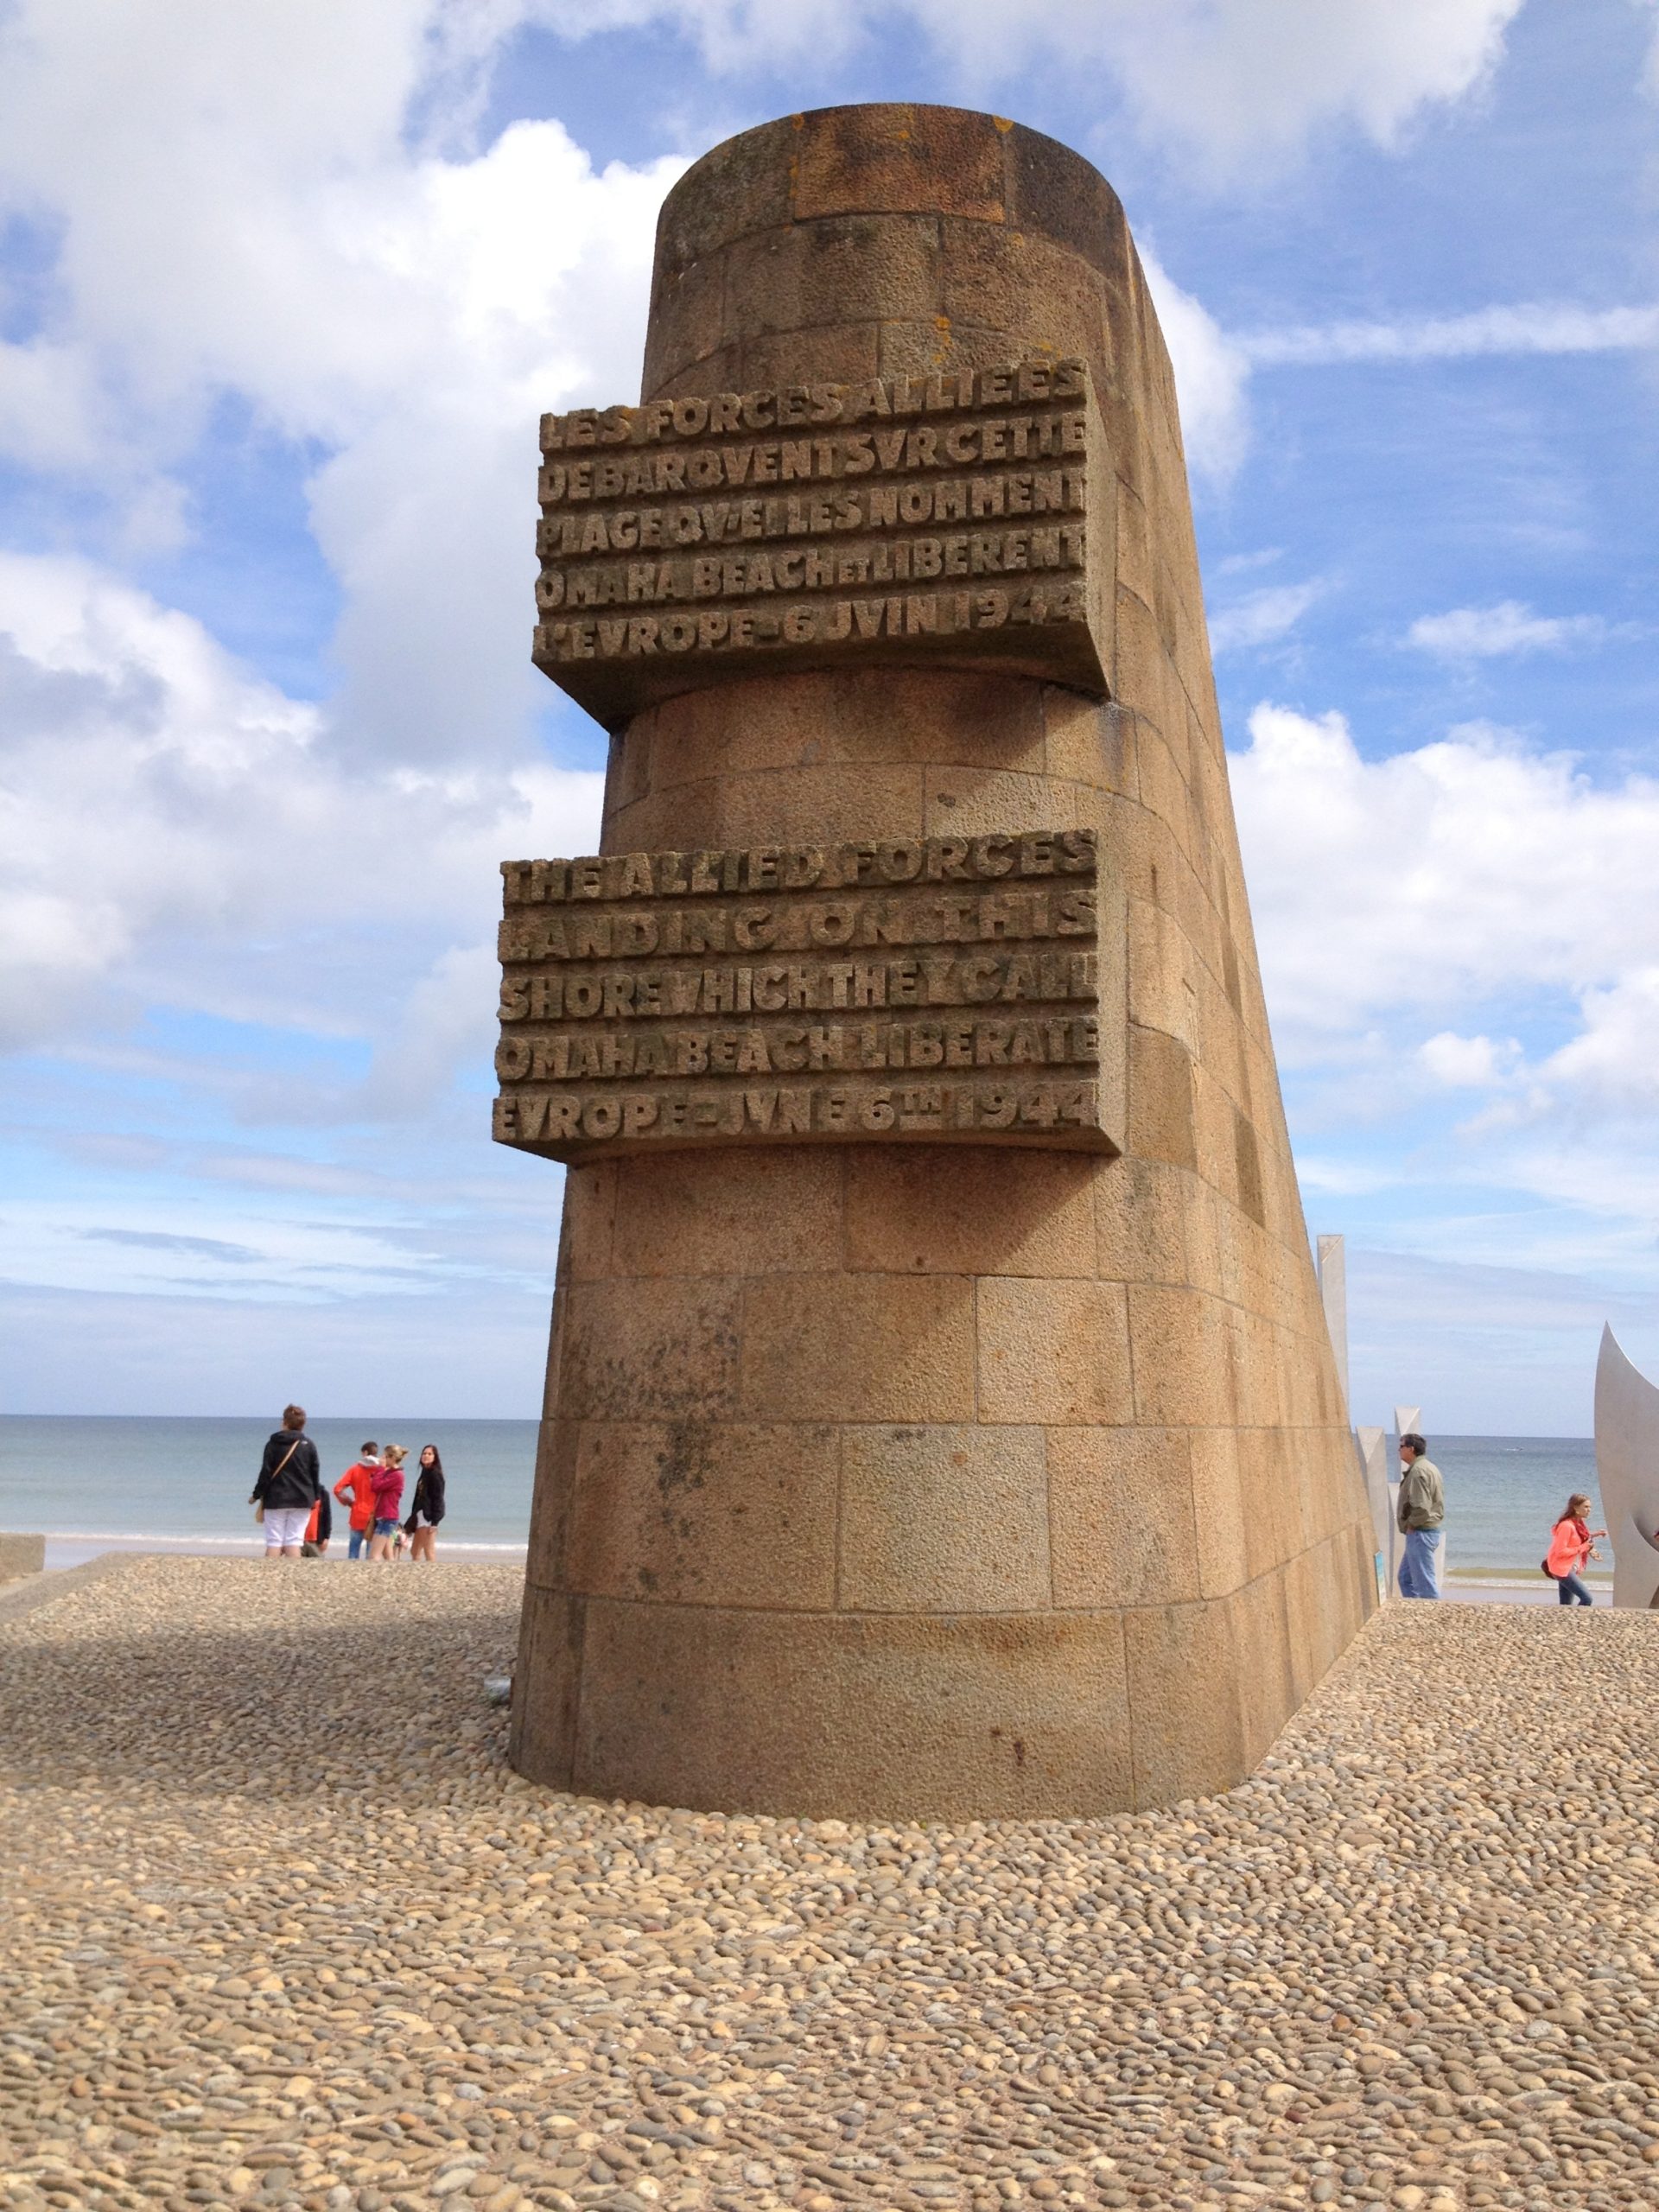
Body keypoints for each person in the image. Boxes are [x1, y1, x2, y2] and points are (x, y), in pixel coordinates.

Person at [251, 1404, 321, 1562]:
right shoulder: (308, 1445)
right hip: (303, 1498)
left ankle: (271, 1575)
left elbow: (266, 1472)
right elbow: (314, 1473)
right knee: (295, 1540)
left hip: (276, 1498)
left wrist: (257, 1494)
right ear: (303, 1424)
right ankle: (293, 1575)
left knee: (274, 1540)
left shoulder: (273, 1444)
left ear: (285, 1422)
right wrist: (315, 1496)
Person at [1396, 1432, 1445, 1599]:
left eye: (1401, 1446)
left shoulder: (1418, 1471)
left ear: (1411, 1449)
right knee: (1405, 1579)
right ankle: (1414, 1613)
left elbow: (1422, 1508)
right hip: (1423, 1532)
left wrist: (1411, 1525)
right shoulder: (1429, 1467)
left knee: (1425, 1586)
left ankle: (1433, 1619)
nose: (1399, 1450)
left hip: (1420, 1532)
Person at [1545, 1493, 1605, 1606]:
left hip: (1570, 1567)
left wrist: (1594, 1534)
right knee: (1587, 1598)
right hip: (1562, 1569)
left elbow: (1577, 1537)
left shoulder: (1578, 1524)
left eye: (1590, 1507)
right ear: (1576, 1508)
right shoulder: (1566, 1526)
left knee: (1565, 1605)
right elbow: (1561, 1551)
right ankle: (1578, 1619)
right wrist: (1584, 1547)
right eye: (1586, 1507)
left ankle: (1563, 1621)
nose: (1589, 1510)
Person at [334, 1444, 382, 1561]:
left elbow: (337, 1490)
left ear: (365, 1453)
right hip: (375, 1514)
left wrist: (349, 1502)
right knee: (371, 1552)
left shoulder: (355, 1469)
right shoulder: (381, 1470)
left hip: (358, 1512)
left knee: (354, 1550)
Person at [404, 1445, 447, 1562]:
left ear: (435, 1457)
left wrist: (435, 1522)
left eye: (429, 1454)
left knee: (428, 1550)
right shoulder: (425, 1473)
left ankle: (433, 1575)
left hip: (427, 1517)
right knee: (415, 1551)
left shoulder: (435, 1474)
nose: (426, 1456)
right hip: (419, 1515)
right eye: (424, 1453)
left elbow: (438, 1498)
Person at [368, 1445, 407, 1561]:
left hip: (388, 1517)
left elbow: (376, 1486)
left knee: (374, 1555)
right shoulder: (390, 1473)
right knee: (388, 1555)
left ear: (393, 1458)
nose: (383, 1458)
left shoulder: (397, 1475)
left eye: (386, 1456)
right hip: (384, 1516)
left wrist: (380, 1468)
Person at [302, 1487, 334, 1559]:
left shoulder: (322, 1493)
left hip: (316, 1540)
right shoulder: (296, 1491)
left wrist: (326, 1537)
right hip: (298, 1540)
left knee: (319, 1564)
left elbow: (327, 1516)